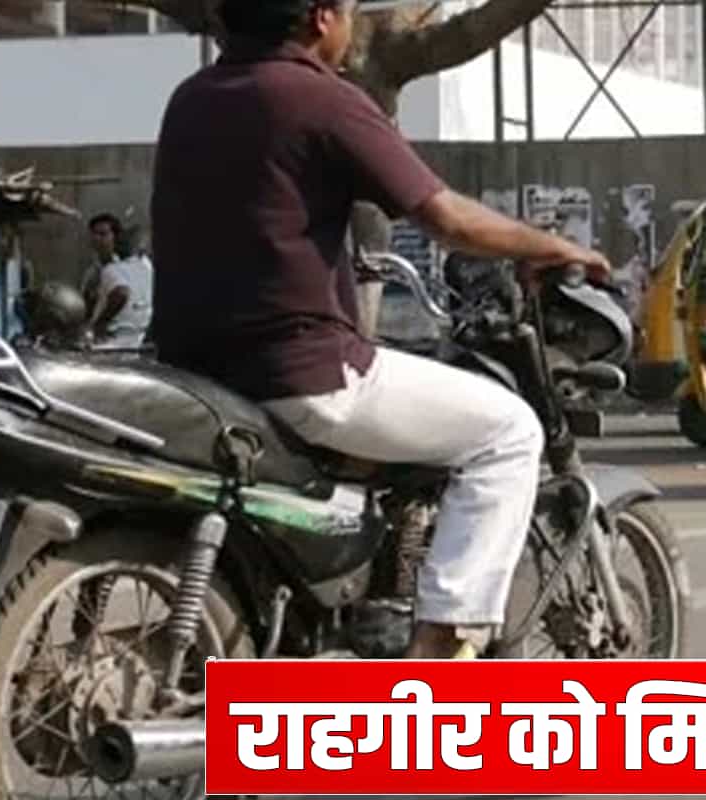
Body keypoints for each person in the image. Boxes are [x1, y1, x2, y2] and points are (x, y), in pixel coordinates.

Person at [148, 0, 613, 660]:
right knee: (511, 433)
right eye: (349, 10)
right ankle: (442, 644)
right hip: (301, 372)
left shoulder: (192, 98)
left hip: (196, 373)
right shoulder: (322, 97)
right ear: (320, 18)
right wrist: (554, 246)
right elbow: (448, 218)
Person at [82, 212, 153, 347]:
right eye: (94, 234)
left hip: (114, 338)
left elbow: (121, 293)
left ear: (116, 237)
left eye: (103, 234)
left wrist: (100, 324)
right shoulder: (93, 272)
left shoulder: (115, 269)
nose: (97, 239)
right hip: (137, 340)